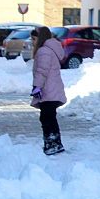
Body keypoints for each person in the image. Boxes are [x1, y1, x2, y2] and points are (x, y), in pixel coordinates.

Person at [30, 26, 67, 155]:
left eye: (34, 39)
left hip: (48, 91)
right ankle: (56, 143)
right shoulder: (51, 49)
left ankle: (51, 144)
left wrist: (37, 87)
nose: (32, 42)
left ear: (40, 38)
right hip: (53, 90)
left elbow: (42, 71)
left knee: (46, 118)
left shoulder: (44, 51)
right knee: (50, 117)